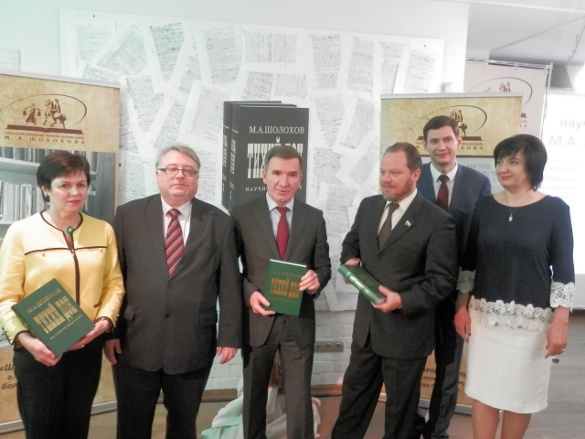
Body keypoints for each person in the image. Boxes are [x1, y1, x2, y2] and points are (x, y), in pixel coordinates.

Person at [104, 145, 242, 439]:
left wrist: (230, 335)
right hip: (134, 341)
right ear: (158, 175)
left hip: (192, 343)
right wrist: (111, 332)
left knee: (183, 424)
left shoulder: (220, 222)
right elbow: (114, 277)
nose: (180, 175)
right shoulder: (129, 215)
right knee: (131, 425)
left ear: (197, 178)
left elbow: (229, 282)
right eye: (172, 169)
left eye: (189, 170)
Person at [332, 142, 458, 439]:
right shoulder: (369, 206)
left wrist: (402, 300)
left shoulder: (438, 221)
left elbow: (442, 281)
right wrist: (349, 262)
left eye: (394, 173)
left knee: (400, 416)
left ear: (415, 174)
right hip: (366, 331)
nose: (385, 179)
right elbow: (351, 244)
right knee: (352, 405)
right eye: (383, 172)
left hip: (406, 334)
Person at [454, 134, 574, 439]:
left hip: (530, 323)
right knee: (483, 391)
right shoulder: (485, 207)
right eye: (499, 161)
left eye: (513, 161)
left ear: (532, 167)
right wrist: (461, 307)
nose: (502, 168)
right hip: (485, 319)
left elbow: (563, 270)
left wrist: (560, 323)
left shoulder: (555, 209)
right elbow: (469, 262)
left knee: (520, 395)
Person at [0, 150, 124, 439]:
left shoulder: (103, 230)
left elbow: (114, 285)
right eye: (64, 185)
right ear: (46, 189)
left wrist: (103, 324)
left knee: (77, 427)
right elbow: (6, 297)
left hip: (87, 346)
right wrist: (27, 341)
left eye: (81, 184)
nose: (75, 192)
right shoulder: (21, 232)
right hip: (39, 348)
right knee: (42, 429)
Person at [231, 145, 331, 439]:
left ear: (300, 178)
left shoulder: (314, 217)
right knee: (254, 395)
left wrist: (317, 279)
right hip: (258, 320)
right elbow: (228, 268)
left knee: (300, 397)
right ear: (264, 175)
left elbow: (324, 267)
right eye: (276, 173)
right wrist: (249, 293)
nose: (284, 182)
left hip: (298, 321)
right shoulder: (241, 215)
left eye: (292, 175)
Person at [413, 115, 491, 439]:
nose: (441, 146)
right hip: (416, 289)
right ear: (425, 145)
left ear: (459, 141)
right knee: (410, 363)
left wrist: (466, 296)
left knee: (448, 366)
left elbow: (478, 239)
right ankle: (410, 426)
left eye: (447, 139)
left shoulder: (479, 183)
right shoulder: (413, 178)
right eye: (434, 141)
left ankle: (437, 432)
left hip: (457, 291)